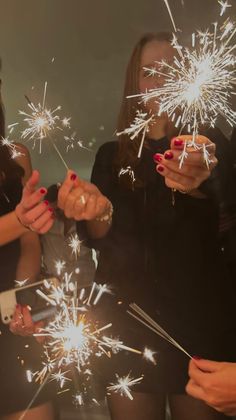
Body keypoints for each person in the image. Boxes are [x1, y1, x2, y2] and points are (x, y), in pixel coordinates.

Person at [59, 33, 236, 420]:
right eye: (148, 71)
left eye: (169, 69)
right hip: (128, 327)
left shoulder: (209, 145)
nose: (159, 80)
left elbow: (222, 201)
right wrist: (98, 212)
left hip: (199, 324)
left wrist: (201, 177)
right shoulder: (111, 155)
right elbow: (102, 239)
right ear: (134, 84)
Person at [0, 76, 56, 419]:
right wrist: (19, 220)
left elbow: (31, 243)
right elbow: (24, 223)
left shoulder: (16, 155)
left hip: (11, 320)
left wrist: (19, 302)